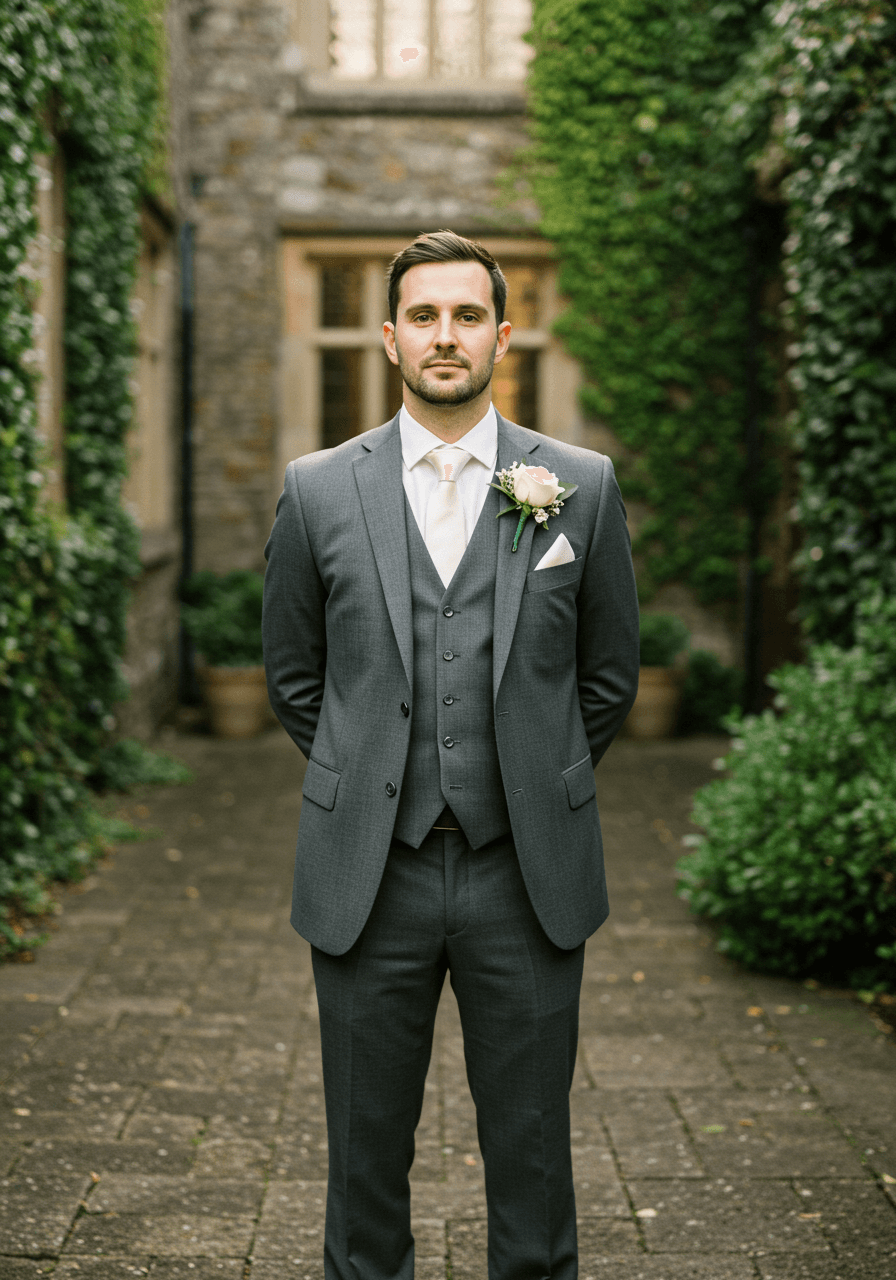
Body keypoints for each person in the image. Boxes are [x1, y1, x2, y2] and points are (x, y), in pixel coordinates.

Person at [262, 229, 640, 1280]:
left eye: (466, 315)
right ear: (389, 338)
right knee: (363, 1164)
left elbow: (606, 677)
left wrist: (529, 774)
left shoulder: (577, 484)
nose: (444, 335)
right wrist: (369, 774)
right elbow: (296, 678)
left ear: (501, 335)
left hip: (524, 872)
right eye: (423, 315)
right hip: (364, 872)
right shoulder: (317, 487)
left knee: (531, 1161)